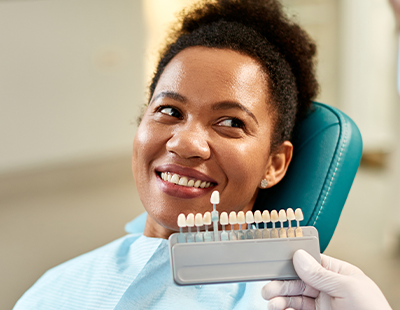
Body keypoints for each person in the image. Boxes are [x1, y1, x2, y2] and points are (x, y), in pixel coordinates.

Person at [13, 0, 319, 309]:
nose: (185, 144)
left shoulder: (279, 300)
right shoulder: (57, 286)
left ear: (274, 164)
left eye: (230, 122)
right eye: (170, 110)